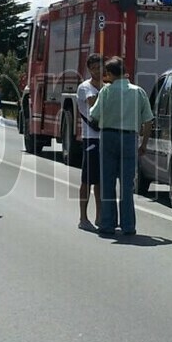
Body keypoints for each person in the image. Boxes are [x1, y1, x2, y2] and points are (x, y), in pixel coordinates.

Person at [89, 57, 153, 236]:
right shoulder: (138, 92)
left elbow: (93, 115)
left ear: (109, 74)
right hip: (129, 138)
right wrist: (144, 143)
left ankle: (107, 224)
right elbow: (148, 120)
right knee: (127, 185)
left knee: (108, 182)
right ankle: (128, 226)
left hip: (108, 136)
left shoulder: (106, 91)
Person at [76, 53, 103, 231]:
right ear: (89, 69)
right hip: (91, 138)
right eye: (93, 67)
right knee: (87, 179)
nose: (97, 70)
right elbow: (95, 106)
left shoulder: (106, 86)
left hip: (105, 138)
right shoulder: (85, 87)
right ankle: (83, 218)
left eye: (100, 66)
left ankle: (100, 216)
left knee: (100, 181)